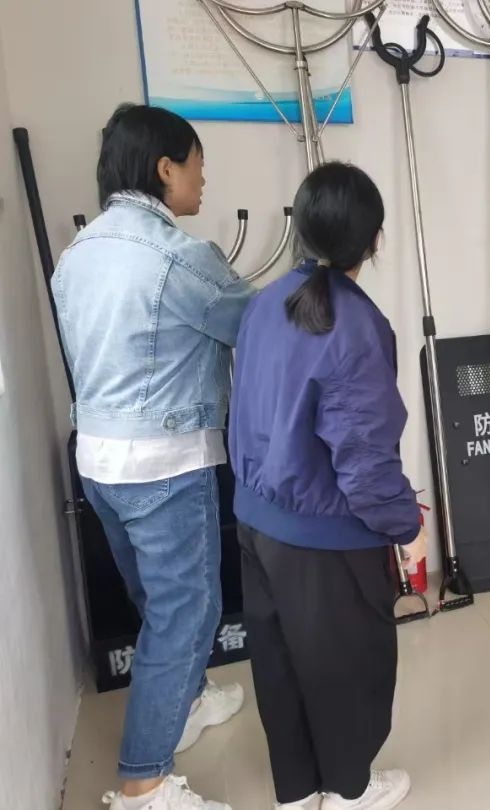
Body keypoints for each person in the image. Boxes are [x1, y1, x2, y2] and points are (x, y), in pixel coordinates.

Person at [52, 104, 253, 810]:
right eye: (197, 165)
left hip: (99, 464)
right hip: (164, 466)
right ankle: (144, 784)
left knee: (154, 599)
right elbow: (254, 323)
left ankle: (188, 699)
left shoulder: (77, 255)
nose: (203, 179)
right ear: (166, 168)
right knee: (186, 613)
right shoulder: (180, 257)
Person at [228, 162, 425, 810]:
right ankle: (347, 791)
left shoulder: (264, 302)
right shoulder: (357, 325)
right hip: (325, 536)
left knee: (279, 661)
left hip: (255, 521)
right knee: (346, 666)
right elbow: (364, 459)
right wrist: (407, 526)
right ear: (374, 241)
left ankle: (296, 793)